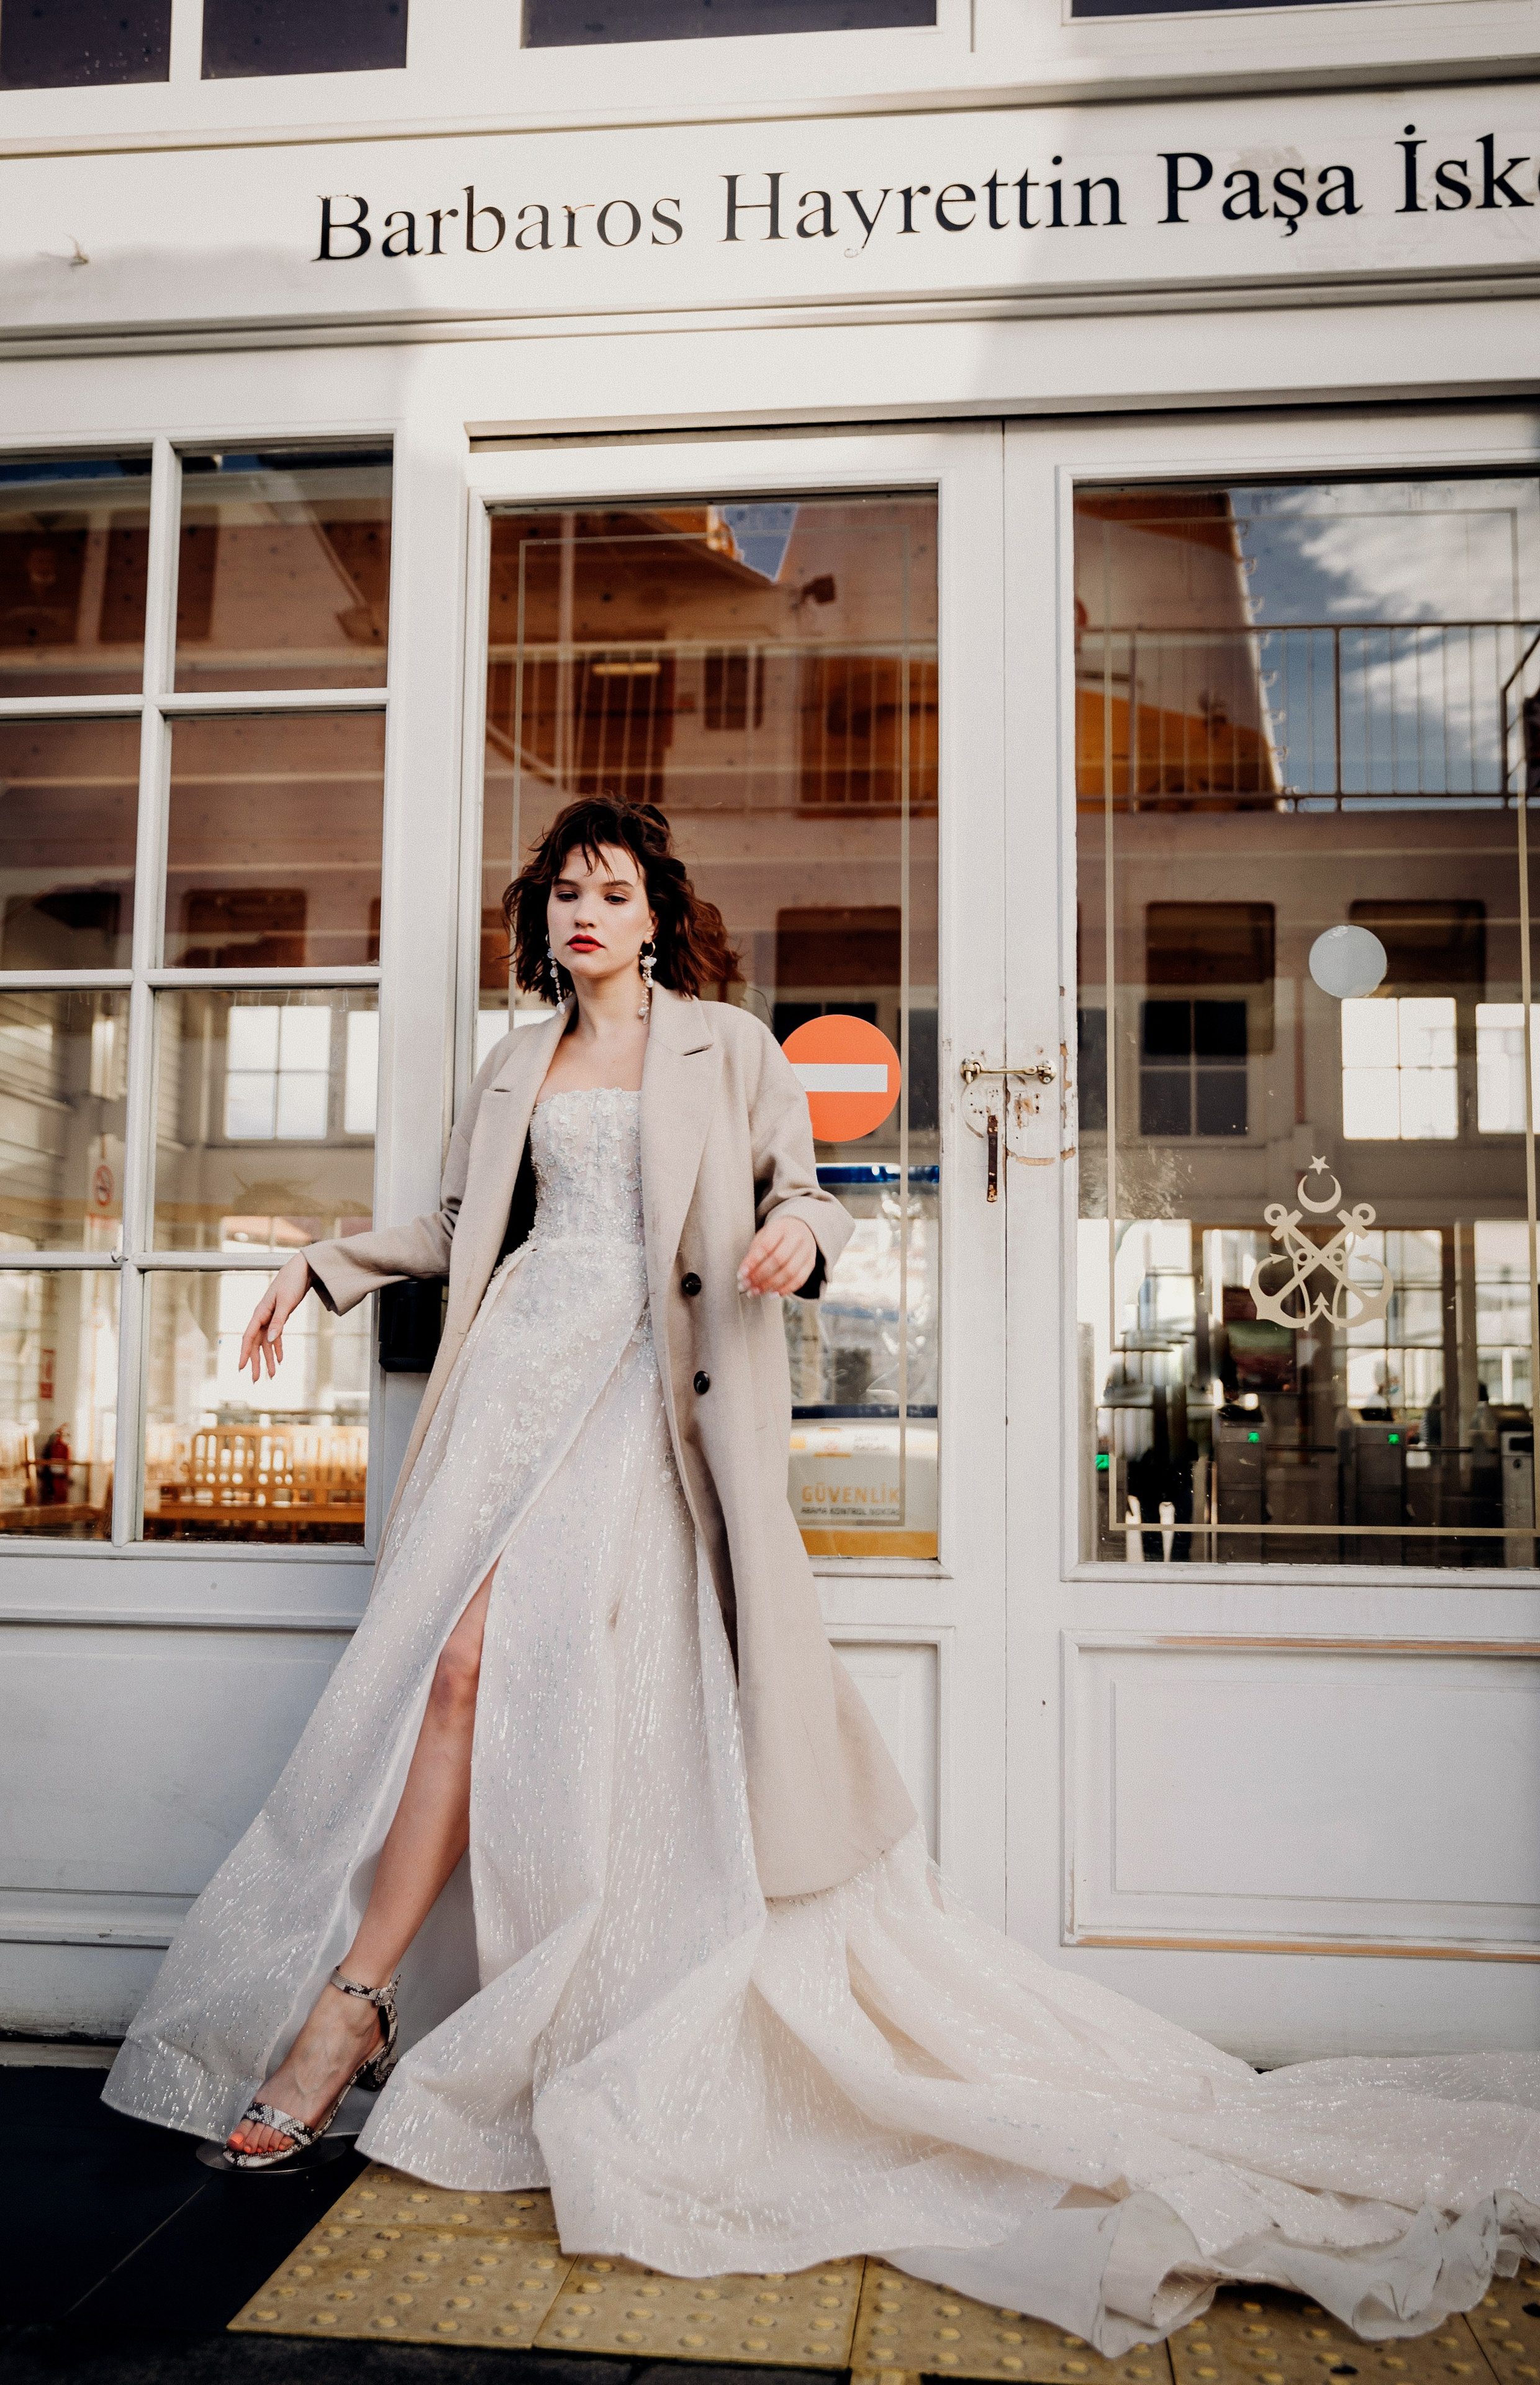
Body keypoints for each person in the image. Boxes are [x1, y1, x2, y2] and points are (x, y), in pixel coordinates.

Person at [106, 798, 1539, 2355]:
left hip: (651, 1402)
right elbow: (468, 1225)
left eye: (612, 889)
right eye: (563, 895)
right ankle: (372, 2001)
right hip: (515, 1387)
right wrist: (326, 1267)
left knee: (504, 1676)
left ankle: (370, 2009)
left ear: (657, 911)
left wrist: (798, 1244)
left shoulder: (730, 1044)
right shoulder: (515, 1061)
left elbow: (799, 1191)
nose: (585, 913)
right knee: (459, 1674)